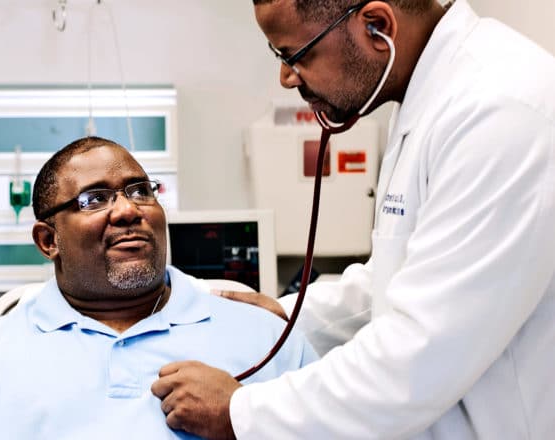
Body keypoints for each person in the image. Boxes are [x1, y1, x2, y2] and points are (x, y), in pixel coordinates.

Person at [151, 0, 555, 438]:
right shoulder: (430, 94)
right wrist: (285, 317)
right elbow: (402, 275)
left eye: (296, 56)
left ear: (377, 26)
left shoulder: (499, 110)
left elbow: (417, 361)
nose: (286, 78)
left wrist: (239, 413)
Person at [0, 136, 317, 439]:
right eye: (94, 199)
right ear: (49, 241)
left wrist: (245, 418)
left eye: (140, 191)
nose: (127, 210)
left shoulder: (268, 340)